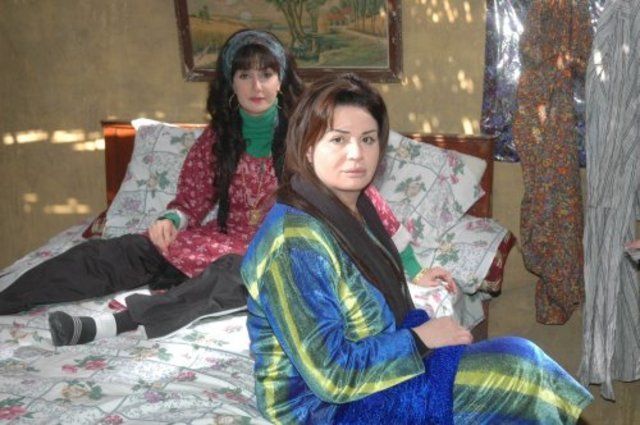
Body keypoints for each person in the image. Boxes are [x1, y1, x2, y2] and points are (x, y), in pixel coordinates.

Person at [241, 74, 593, 424]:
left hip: (378, 369)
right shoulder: (294, 243)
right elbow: (331, 376)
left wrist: (419, 333)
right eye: (338, 139)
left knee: (520, 363)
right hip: (322, 409)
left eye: (368, 139)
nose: (356, 154)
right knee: (520, 376)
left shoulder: (357, 207)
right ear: (307, 147)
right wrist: (419, 339)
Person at [0, 29, 305, 343]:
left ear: (280, 80)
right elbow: (192, 200)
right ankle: (7, 299)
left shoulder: (305, 139)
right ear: (232, 82)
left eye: (266, 74)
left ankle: (112, 324)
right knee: (109, 254)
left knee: (238, 273)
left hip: (268, 255)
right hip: (215, 243)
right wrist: (171, 220)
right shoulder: (218, 138)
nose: (257, 86)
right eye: (245, 75)